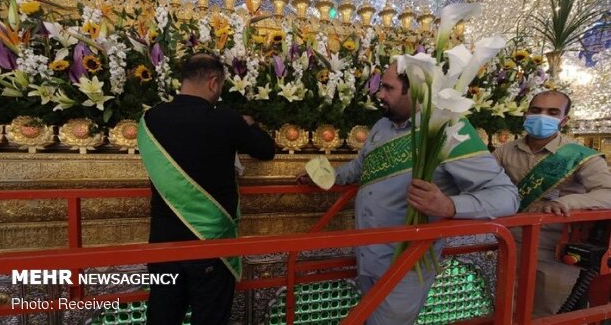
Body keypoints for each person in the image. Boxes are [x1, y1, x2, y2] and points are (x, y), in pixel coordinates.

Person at [297, 62, 519, 325]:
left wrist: (449, 205)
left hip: (408, 261)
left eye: (388, 88)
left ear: (415, 92)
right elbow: (361, 167)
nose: (380, 95)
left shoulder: (448, 129)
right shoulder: (382, 125)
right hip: (368, 254)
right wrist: (326, 177)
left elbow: (507, 196)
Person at [137, 53, 275, 325]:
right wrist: (250, 124)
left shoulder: (150, 120)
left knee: (163, 316)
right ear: (213, 82)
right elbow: (265, 150)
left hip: (163, 244)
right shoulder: (226, 120)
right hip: (211, 242)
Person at [493, 90, 611, 316]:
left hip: (552, 252)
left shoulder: (579, 155)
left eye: (552, 112)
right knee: (503, 311)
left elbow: (608, 192)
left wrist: (571, 201)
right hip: (507, 244)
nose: (542, 116)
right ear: (526, 113)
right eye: (536, 110)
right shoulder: (505, 151)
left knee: (541, 315)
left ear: (564, 120)